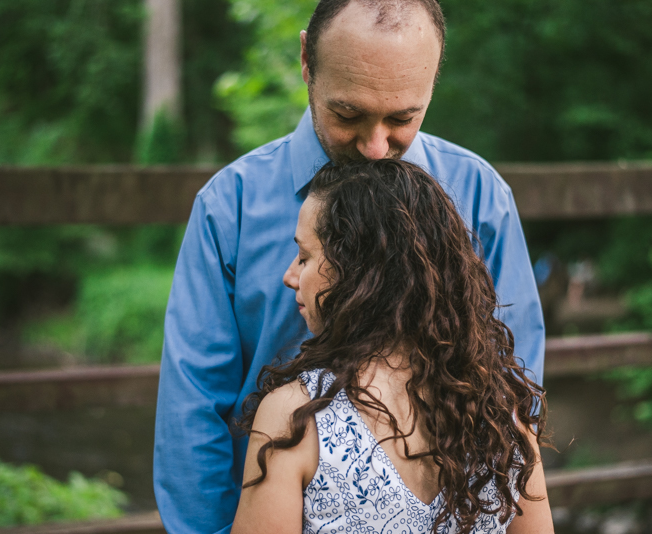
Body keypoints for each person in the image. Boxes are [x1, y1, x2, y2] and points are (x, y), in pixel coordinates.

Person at [154, 1, 545, 532]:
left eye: (403, 118)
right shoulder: (232, 207)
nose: (377, 147)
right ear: (307, 64)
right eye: (348, 115)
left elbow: (510, 389)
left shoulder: (480, 200)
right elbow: (191, 415)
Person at [231, 160, 552, 534]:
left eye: (304, 256)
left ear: (357, 272)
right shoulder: (503, 416)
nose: (290, 277)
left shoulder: (297, 419)